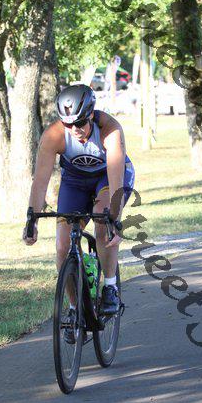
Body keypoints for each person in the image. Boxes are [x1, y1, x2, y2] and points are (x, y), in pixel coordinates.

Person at [23, 84, 135, 332]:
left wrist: (115, 218)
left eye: (80, 123)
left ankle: (110, 287)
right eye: (68, 124)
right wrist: (32, 219)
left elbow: (115, 178)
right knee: (62, 247)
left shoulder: (110, 130)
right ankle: (75, 309)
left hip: (108, 178)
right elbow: (40, 180)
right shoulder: (54, 135)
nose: (74, 129)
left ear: (91, 114)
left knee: (103, 222)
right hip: (75, 181)